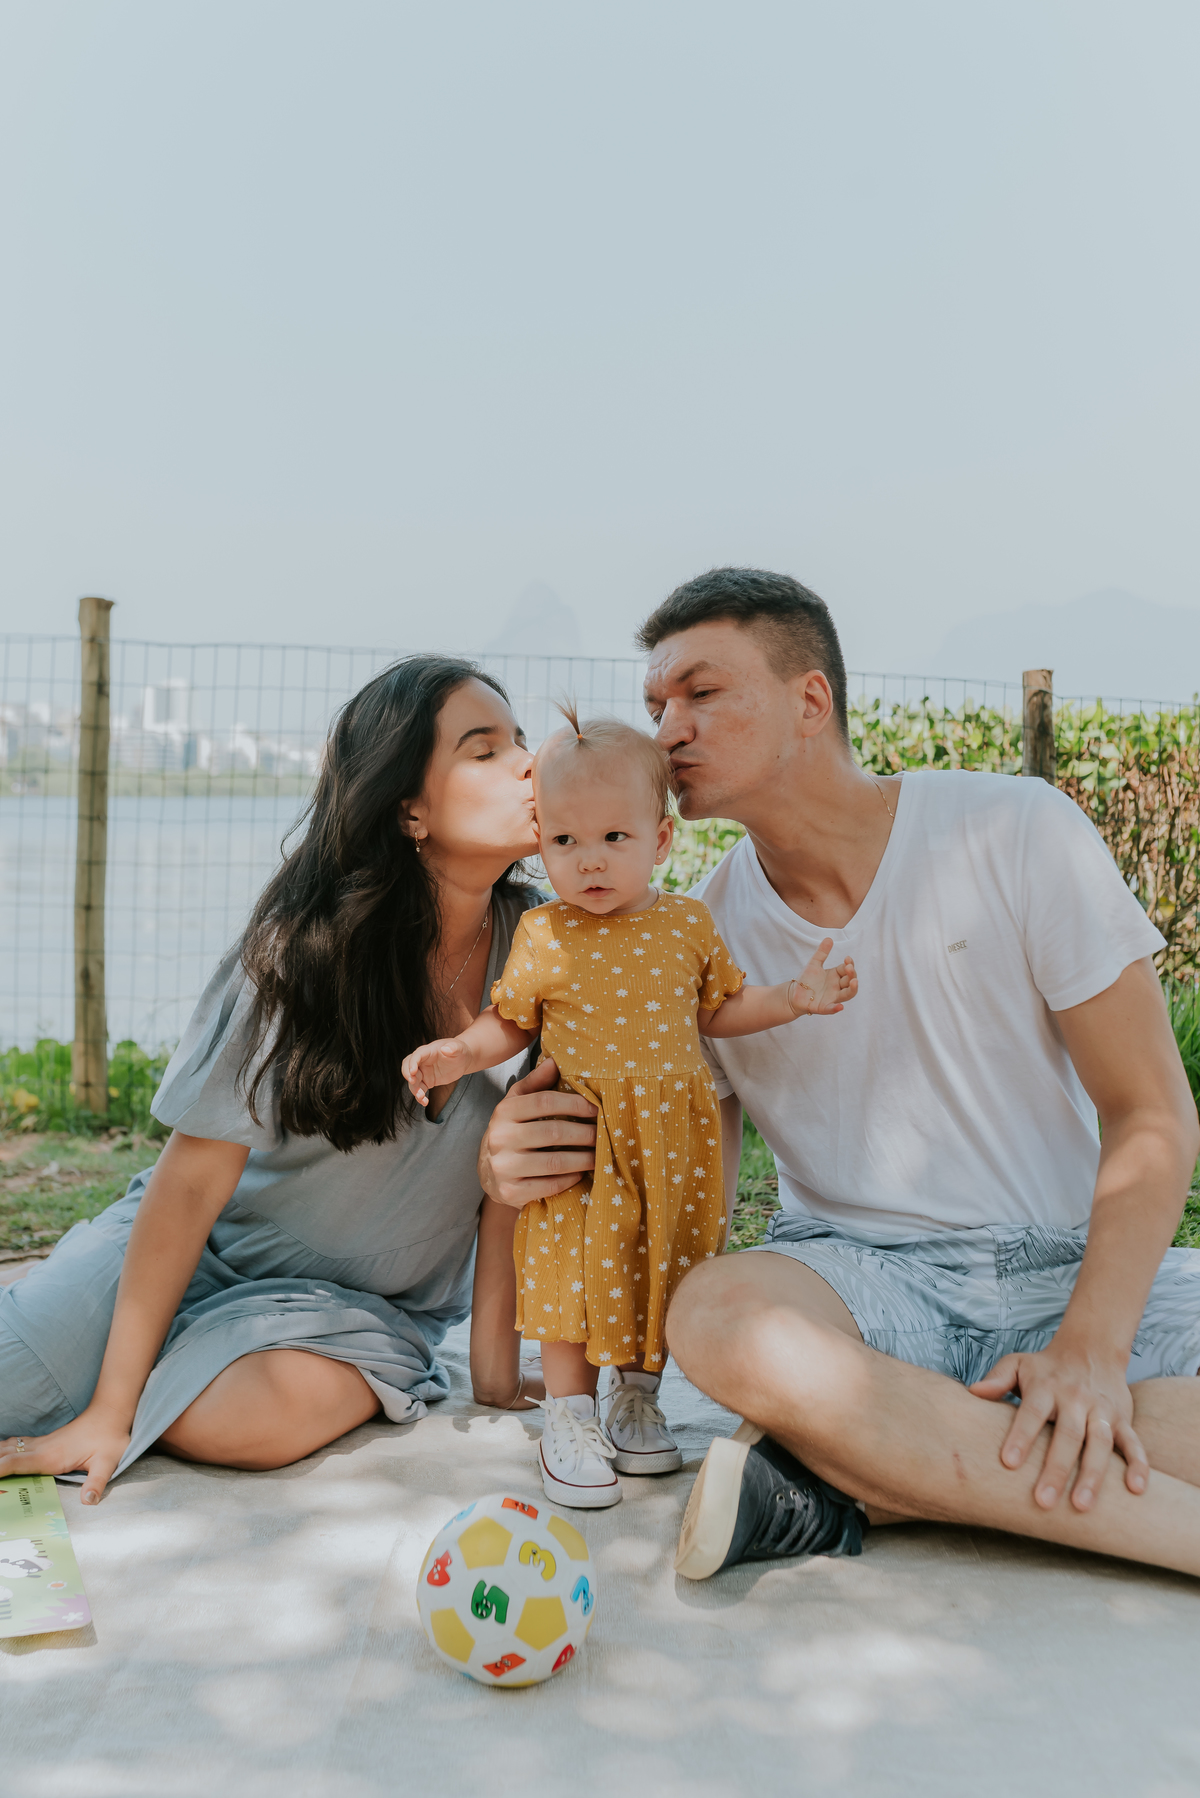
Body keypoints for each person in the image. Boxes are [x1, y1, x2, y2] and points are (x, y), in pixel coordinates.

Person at [478, 566, 1200, 1584]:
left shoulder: (1016, 830)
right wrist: (518, 1147)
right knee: (716, 1317)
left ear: (809, 699)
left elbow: (1151, 1114)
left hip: (1067, 1269)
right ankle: (1163, 1529)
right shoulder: (689, 935)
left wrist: (1088, 1350)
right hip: (854, 1286)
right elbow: (674, 1173)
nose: (667, 726)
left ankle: (857, 1478)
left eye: (701, 692)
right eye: (653, 706)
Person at [0, 655, 552, 1503]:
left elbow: (521, 1185)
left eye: (522, 741)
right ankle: (132, 1360)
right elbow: (188, 1187)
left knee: (230, 1422)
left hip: (365, 1311)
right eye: (486, 751)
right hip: (206, 1251)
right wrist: (111, 1407)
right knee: (15, 1383)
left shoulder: (557, 955)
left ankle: (176, 1367)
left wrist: (496, 1371)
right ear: (409, 807)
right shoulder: (303, 953)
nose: (529, 763)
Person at [402, 706, 856, 1507]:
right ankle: (571, 1417)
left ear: (661, 839)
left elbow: (721, 1008)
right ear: (543, 845)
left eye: (615, 838)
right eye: (565, 842)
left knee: (659, 1264)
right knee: (573, 1274)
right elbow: (510, 1020)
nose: (592, 862)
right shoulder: (545, 934)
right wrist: (458, 1053)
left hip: (670, 1145)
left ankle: (638, 1398)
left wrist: (794, 997)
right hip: (585, 1143)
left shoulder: (687, 923)